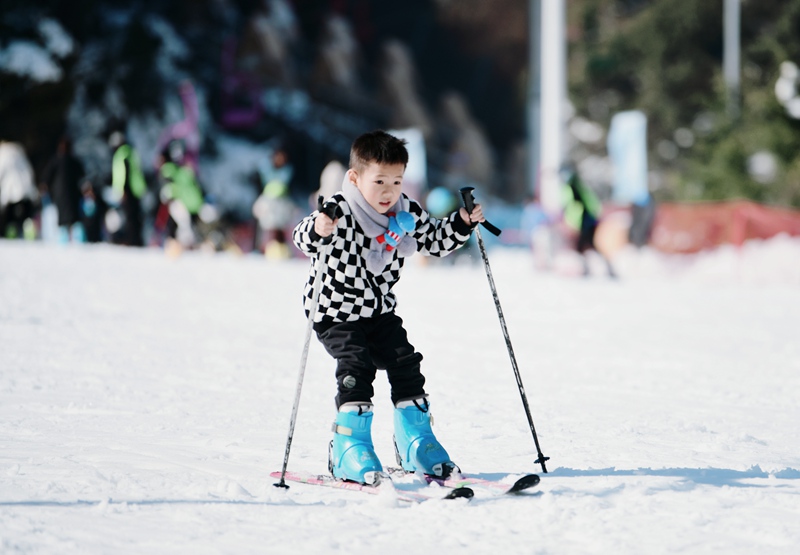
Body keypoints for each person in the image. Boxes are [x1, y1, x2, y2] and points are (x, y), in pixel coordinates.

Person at [292, 130, 485, 485]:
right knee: (356, 365)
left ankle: (416, 442)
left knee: (405, 362)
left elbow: (437, 241)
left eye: (396, 181)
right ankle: (349, 449)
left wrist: (461, 223)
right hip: (335, 312)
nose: (388, 190)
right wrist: (320, 227)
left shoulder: (406, 211)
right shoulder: (340, 210)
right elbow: (303, 237)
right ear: (355, 177)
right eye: (379, 180)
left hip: (378, 311)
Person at [561, 165, 617, 278]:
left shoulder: (573, 186)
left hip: (584, 222)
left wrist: (572, 223)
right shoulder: (577, 184)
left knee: (586, 246)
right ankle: (592, 269)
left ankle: (599, 269)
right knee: (585, 247)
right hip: (585, 221)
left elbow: (576, 207)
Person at [40, 136, 86, 243]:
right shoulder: (74, 161)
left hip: (59, 195)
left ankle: (63, 241)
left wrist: (44, 187)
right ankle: (78, 241)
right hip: (73, 195)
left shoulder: (55, 161)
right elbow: (83, 177)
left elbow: (46, 178)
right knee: (75, 219)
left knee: (62, 219)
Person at [0, 140, 38, 240]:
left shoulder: (3, 154)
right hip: (26, 190)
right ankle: (29, 229)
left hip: (11, 191)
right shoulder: (20, 154)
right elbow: (29, 172)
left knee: (10, 216)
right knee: (26, 215)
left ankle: (11, 233)